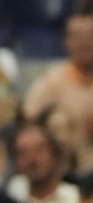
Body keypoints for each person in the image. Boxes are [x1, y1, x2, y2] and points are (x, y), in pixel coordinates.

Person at [25, 11, 93, 173]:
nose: (85, 43)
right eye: (78, 36)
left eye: (91, 36)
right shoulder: (50, 83)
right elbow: (28, 123)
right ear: (66, 41)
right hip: (63, 171)